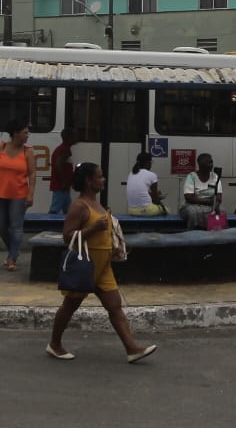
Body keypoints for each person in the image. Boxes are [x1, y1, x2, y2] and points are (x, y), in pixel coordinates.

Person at [46, 163, 157, 364]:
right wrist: (94, 228)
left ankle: (132, 348)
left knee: (115, 306)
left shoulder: (97, 204)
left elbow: (104, 232)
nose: (103, 180)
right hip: (85, 265)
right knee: (70, 305)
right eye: (100, 177)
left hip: (103, 266)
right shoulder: (80, 206)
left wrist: (114, 247)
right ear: (89, 181)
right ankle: (55, 344)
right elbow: (67, 236)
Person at [0, 121, 35, 272]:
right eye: (25, 132)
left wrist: (30, 194)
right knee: (2, 226)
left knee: (16, 227)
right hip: (1, 194)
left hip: (19, 195)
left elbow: (31, 173)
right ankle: (14, 250)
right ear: (15, 134)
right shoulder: (1, 147)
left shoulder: (27, 151)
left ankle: (12, 258)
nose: (27, 135)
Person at [180, 153, 223, 229]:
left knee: (222, 210)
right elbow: (189, 197)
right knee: (193, 212)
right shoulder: (191, 176)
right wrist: (207, 202)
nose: (211, 165)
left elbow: (219, 195)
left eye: (211, 162)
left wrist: (216, 203)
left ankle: (215, 234)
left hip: (211, 205)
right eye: (209, 162)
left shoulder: (215, 177)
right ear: (201, 164)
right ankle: (194, 235)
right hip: (192, 205)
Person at [47, 129, 78, 215]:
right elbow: (58, 165)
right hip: (61, 186)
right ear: (69, 138)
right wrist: (64, 180)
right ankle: (49, 225)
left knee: (68, 209)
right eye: (75, 136)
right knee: (55, 209)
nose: (77, 138)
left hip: (64, 186)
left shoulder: (63, 148)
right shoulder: (64, 150)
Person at [126, 151, 166, 215]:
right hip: (146, 211)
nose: (151, 164)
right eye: (151, 162)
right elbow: (155, 199)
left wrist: (151, 194)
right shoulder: (152, 175)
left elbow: (140, 192)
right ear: (147, 163)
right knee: (166, 210)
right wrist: (159, 201)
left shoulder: (131, 174)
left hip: (131, 211)